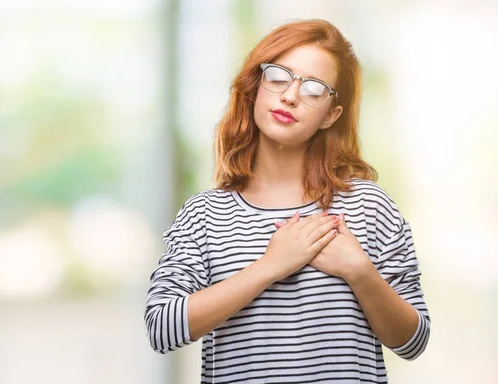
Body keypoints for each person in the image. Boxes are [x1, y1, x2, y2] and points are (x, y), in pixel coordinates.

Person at [144, 18, 430, 383]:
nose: (291, 96)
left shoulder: (369, 206)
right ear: (255, 87)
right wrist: (270, 266)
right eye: (279, 77)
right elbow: (161, 328)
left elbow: (413, 342)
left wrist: (360, 272)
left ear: (331, 115)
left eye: (313, 89)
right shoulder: (205, 214)